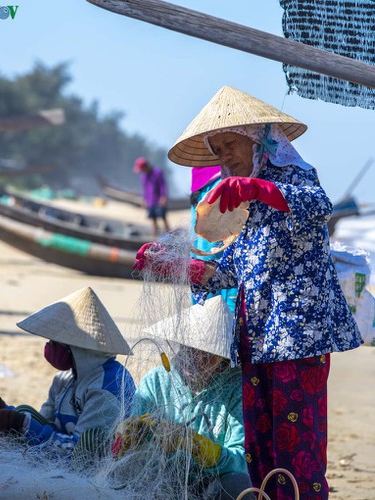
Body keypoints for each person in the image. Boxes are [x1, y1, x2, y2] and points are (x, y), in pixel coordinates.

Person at [133, 86, 363, 499]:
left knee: (297, 447)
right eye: (217, 150)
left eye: (230, 145)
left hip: (296, 338)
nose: (225, 158)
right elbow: (236, 270)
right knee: (262, 446)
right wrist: (186, 267)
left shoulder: (292, 178)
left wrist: (256, 189)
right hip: (256, 340)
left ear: (258, 141)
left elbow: (318, 205)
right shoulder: (244, 206)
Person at [114, 296, 253, 499]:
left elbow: (244, 460)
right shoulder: (156, 382)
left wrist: (202, 448)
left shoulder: (237, 389)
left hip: (214, 484)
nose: (196, 359)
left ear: (223, 357)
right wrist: (129, 435)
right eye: (190, 348)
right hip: (163, 477)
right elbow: (132, 445)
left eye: (208, 354)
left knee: (237, 484)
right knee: (127, 468)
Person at [0, 286, 135, 462]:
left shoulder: (108, 386)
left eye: (55, 342)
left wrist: (21, 424)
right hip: (62, 456)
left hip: (94, 466)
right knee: (23, 413)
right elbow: (42, 424)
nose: (49, 347)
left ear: (77, 348)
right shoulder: (64, 380)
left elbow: (80, 452)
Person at [190, 165, 238, 313]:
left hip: (201, 254)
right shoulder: (226, 179)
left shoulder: (199, 176)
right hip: (217, 255)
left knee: (203, 310)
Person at [133, 156, 170, 237]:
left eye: (142, 169)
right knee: (153, 219)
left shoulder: (157, 172)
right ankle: (154, 236)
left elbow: (162, 185)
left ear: (146, 167)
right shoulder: (143, 176)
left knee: (163, 217)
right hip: (150, 200)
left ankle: (169, 235)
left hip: (159, 199)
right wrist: (144, 200)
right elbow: (144, 189)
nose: (141, 171)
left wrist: (164, 196)